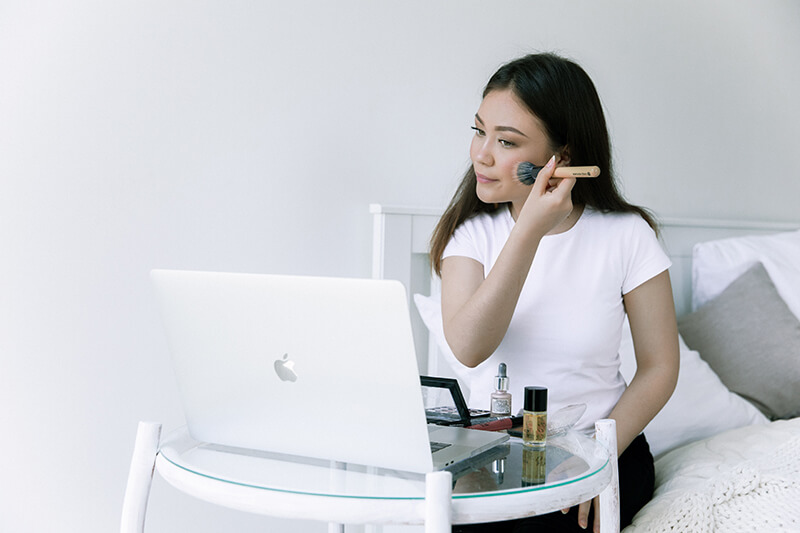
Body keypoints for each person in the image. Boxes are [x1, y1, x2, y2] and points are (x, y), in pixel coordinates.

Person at [429, 53, 680, 532]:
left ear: (561, 158)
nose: (481, 154)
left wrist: (597, 458)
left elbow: (660, 367)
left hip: (600, 449)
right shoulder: (472, 234)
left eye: (505, 141)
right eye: (479, 131)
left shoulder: (627, 235)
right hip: (488, 456)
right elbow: (468, 347)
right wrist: (528, 232)